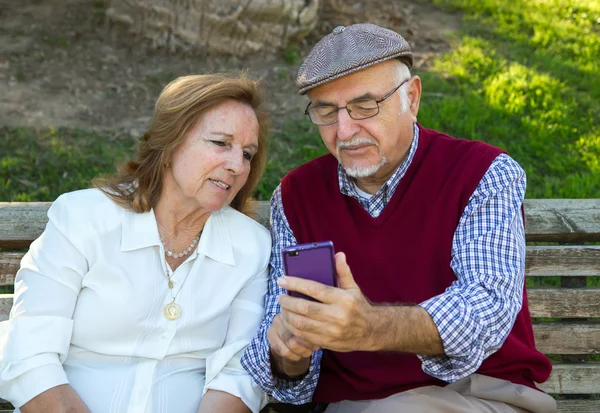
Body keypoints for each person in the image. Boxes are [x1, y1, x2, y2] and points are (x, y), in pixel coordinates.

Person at [241, 23, 557, 413]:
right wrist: (291, 349)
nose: (344, 129)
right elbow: (286, 368)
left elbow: (485, 308)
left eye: (365, 105)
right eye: (326, 111)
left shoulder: (483, 173)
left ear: (412, 96)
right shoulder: (296, 196)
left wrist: (369, 326)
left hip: (479, 393)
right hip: (350, 404)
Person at [0, 73, 271, 413]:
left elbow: (238, 374)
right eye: (220, 143)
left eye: (247, 154)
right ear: (170, 144)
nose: (236, 165)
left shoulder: (252, 247)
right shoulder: (83, 220)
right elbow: (29, 355)